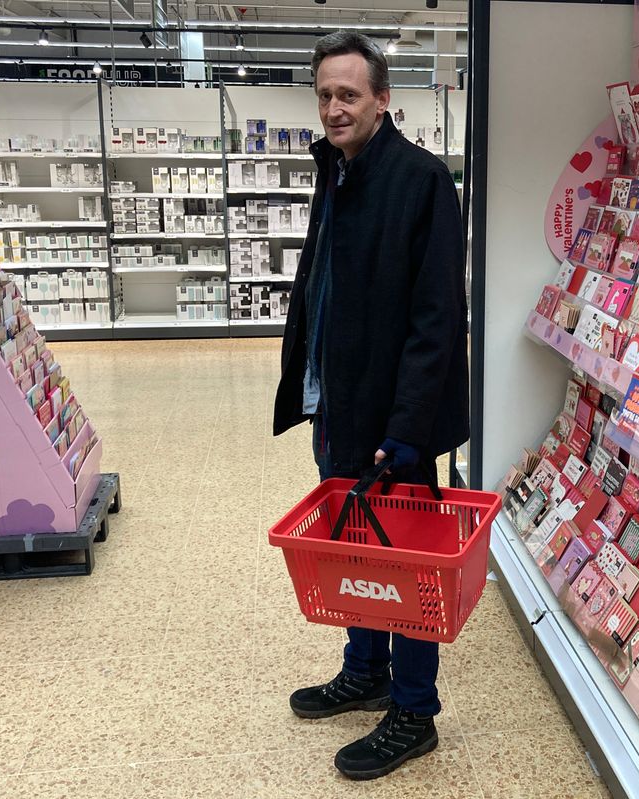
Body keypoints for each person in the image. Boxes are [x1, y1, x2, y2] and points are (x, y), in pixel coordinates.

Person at [271, 31, 469, 781]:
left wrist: (409, 430)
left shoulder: (419, 181)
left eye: (348, 94)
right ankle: (367, 667)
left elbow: (437, 319)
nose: (333, 107)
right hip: (342, 405)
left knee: (411, 560)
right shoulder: (338, 172)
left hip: (397, 421)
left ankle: (415, 709)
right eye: (324, 94)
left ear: (384, 98)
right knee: (354, 544)